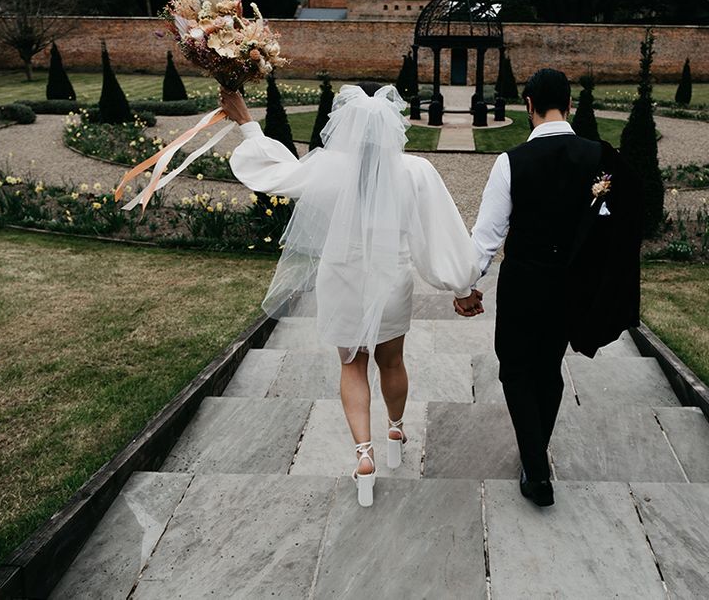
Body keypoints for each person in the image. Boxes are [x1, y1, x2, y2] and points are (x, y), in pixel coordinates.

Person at [221, 82, 481, 507]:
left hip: (341, 277)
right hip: (390, 279)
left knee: (351, 364)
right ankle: (396, 428)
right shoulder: (415, 172)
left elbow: (277, 174)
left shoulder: (329, 169)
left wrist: (248, 124)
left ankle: (364, 455)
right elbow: (440, 234)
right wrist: (463, 287)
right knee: (392, 359)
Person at [465, 68, 613, 507]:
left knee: (514, 369)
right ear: (568, 104)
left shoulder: (510, 162)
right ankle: (535, 455)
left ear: (528, 105)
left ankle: (535, 466)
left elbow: (486, 237)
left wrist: (465, 286)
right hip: (570, 285)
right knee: (548, 368)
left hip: (524, 282)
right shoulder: (599, 158)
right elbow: (605, 228)